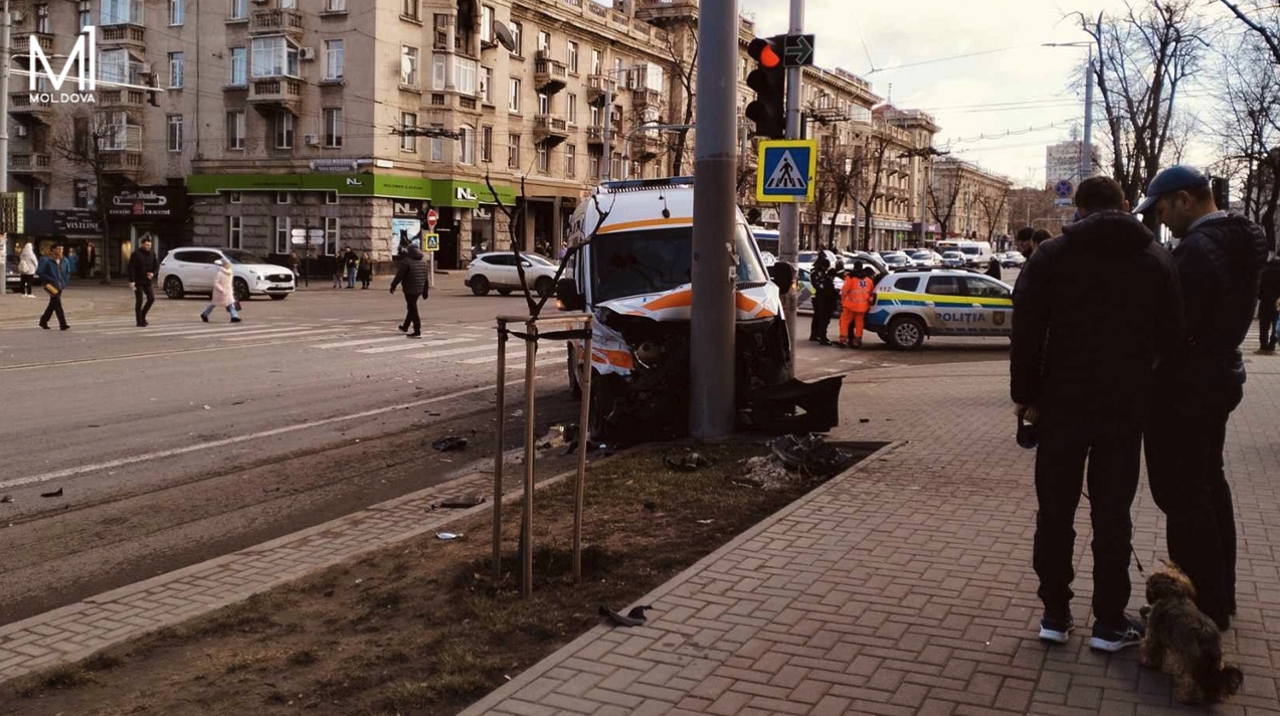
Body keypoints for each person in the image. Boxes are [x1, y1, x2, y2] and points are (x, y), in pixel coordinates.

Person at [1011, 175, 1183, 651]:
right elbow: (1172, 335)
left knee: (1055, 512)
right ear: (1125, 204)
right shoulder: (1154, 256)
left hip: (1061, 404)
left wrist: (1024, 395)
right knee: (1113, 514)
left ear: (1078, 209)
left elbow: (1025, 328)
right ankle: (1108, 622)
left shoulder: (1051, 255)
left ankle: (1054, 613)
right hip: (1123, 409)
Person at [1137, 165, 1269, 631]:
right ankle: (1219, 597)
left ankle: (1197, 608)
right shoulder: (1241, 241)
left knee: (1182, 497)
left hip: (1184, 387)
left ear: (1186, 200)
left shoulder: (1196, 251)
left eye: (1163, 209)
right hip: (1218, 377)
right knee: (1210, 488)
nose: (1162, 219)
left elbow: (1171, 330)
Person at [390, 244, 429, 339]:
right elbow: (426, 278)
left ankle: (417, 330)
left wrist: (393, 285)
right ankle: (405, 326)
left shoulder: (407, 261)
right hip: (419, 289)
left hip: (409, 289)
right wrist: (425, 291)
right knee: (411, 307)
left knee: (412, 308)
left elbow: (400, 275)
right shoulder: (424, 262)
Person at [838, 263, 873, 348]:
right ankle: (857, 341)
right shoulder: (868, 280)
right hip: (863, 306)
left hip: (851, 305)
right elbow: (871, 292)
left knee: (844, 321)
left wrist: (842, 302)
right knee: (859, 323)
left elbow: (844, 291)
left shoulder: (851, 278)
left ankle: (843, 340)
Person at [36, 244, 71, 330]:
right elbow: (40, 272)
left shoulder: (64, 260)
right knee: (57, 303)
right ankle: (63, 324)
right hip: (49, 285)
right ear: (53, 250)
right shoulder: (46, 260)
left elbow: (68, 271)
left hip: (60, 285)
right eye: (58, 249)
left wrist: (65, 281)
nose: (60, 251)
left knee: (53, 304)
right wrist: (50, 279)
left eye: (62, 249)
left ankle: (43, 321)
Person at [128, 238, 159, 327]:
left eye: (150, 245)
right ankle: (139, 321)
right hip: (138, 281)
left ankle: (142, 315)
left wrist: (153, 273)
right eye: (147, 245)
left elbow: (156, 266)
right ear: (142, 244)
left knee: (151, 298)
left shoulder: (152, 254)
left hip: (147, 281)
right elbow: (131, 268)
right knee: (139, 300)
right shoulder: (136, 254)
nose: (148, 247)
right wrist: (131, 281)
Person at [200, 258, 242, 323]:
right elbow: (215, 283)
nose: (229, 265)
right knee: (213, 304)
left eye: (229, 263)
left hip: (228, 292)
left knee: (231, 303)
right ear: (224, 265)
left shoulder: (230, 272)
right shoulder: (220, 273)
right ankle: (204, 314)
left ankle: (234, 317)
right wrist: (221, 289)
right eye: (228, 264)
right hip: (219, 293)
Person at [808, 255, 834, 345]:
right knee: (818, 316)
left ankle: (816, 334)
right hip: (816, 297)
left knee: (818, 316)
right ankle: (815, 334)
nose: (826, 269)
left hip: (820, 297)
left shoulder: (822, 273)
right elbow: (817, 285)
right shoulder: (815, 273)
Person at [1256, 255, 1280, 355]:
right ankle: (1271, 347)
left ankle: (1263, 347)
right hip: (1278, 303)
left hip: (1265, 302)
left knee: (1263, 326)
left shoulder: (1265, 272)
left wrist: (1261, 297)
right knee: (1276, 326)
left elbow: (1259, 287)